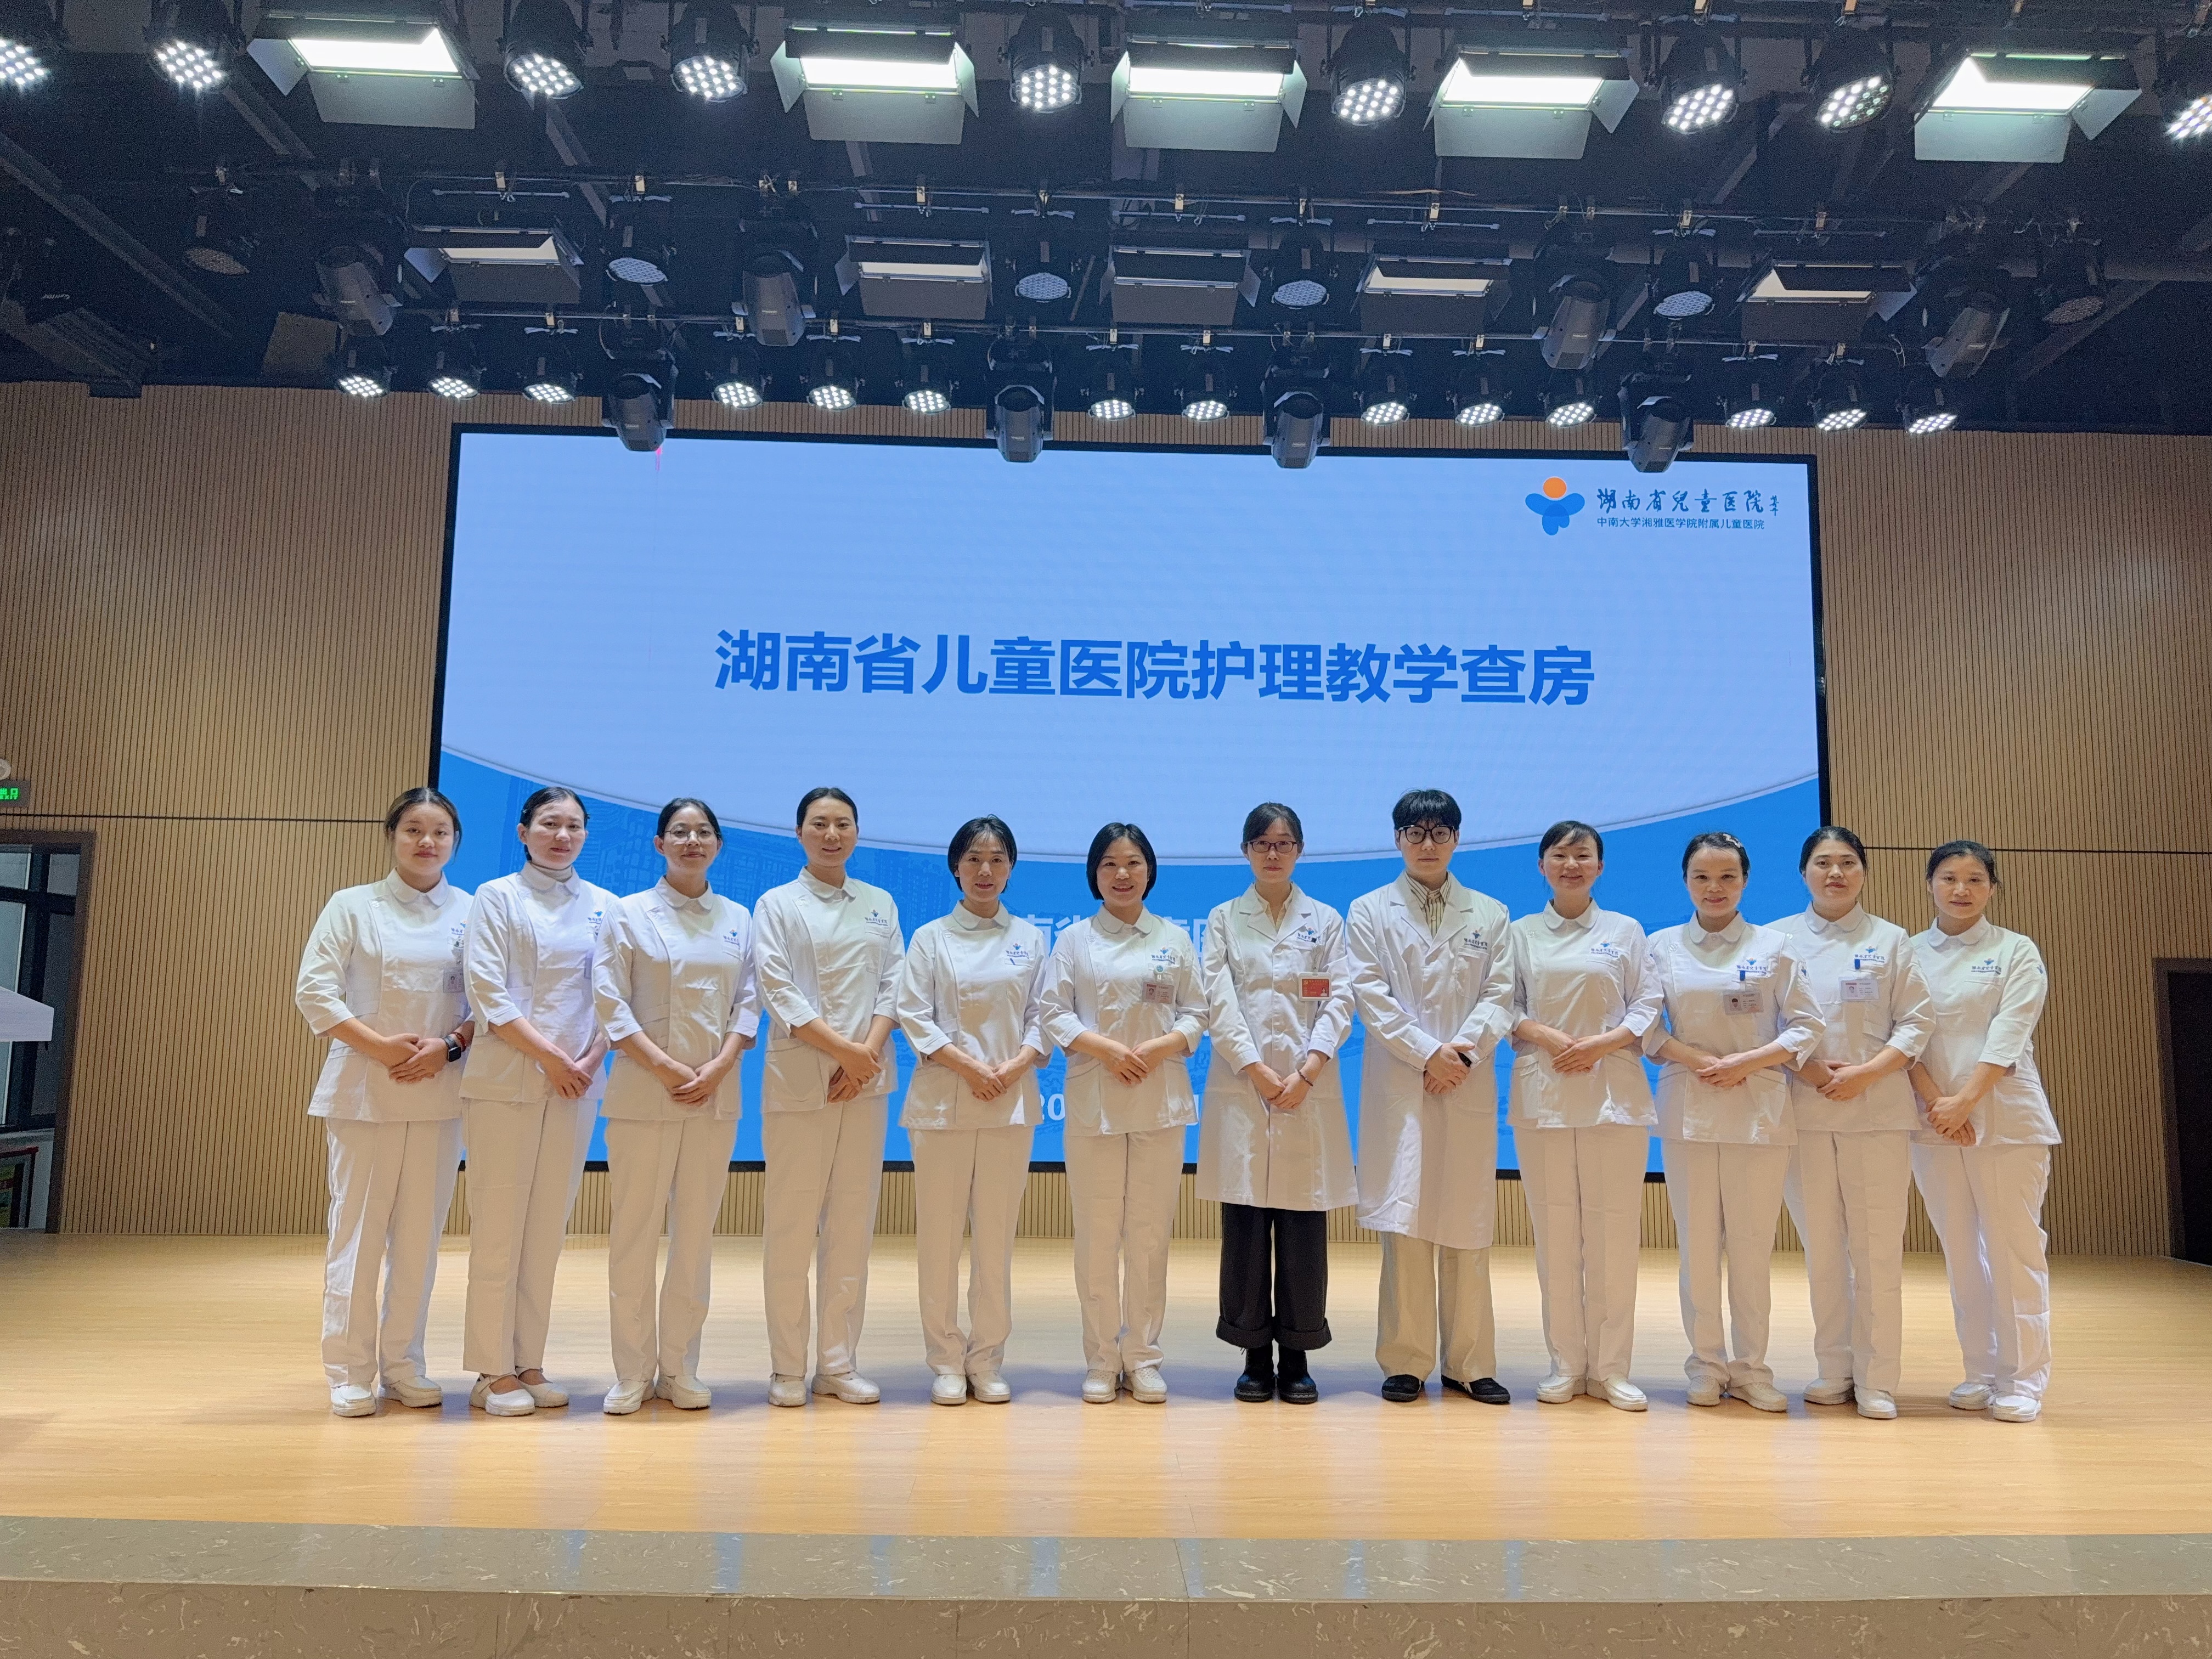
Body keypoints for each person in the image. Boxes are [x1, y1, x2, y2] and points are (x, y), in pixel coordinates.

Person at [294, 787, 475, 1417]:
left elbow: (489, 1003)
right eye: (414, 830)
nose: (428, 842)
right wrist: (381, 1048)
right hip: (364, 1091)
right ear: (392, 836)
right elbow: (315, 992)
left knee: (419, 1240)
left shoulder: (473, 911)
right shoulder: (352, 906)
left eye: (440, 832)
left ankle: (404, 1365)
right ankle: (350, 1371)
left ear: (455, 841)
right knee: (358, 1236)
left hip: (440, 1092)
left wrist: (448, 1047)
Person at [1640, 831, 1824, 1412]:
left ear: (1745, 882)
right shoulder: (1660, 946)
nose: (1714, 888)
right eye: (1702, 877)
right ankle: (1705, 1365)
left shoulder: (1775, 947)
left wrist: (1748, 1061)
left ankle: (1751, 1370)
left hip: (1758, 1112)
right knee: (1697, 1248)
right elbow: (1644, 1026)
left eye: (1727, 877)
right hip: (1688, 1109)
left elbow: (1807, 1025)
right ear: (1685, 881)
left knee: (1750, 1249)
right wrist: (1695, 1059)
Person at [1347, 789, 1517, 1406]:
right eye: (1415, 833)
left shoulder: (1490, 913)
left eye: (1440, 832)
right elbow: (1370, 994)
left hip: (1464, 1082)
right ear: (1398, 839)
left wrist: (1460, 1056)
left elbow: (1501, 994)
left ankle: (1470, 1363)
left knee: (1466, 1222)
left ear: (1457, 839)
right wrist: (1428, 1054)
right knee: (1407, 1224)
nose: (1427, 844)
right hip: (1404, 1082)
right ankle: (1406, 1360)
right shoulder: (1369, 911)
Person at [592, 798, 759, 1415]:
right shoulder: (628, 913)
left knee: (694, 1236)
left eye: (704, 832)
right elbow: (609, 1000)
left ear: (718, 845)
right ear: (659, 844)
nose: (693, 841)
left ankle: (681, 1366)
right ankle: (632, 1372)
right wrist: (663, 1065)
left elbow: (749, 1002)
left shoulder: (739, 918)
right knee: (634, 1235)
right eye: (680, 832)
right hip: (644, 1092)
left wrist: (719, 1066)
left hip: (713, 1096)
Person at [458, 786, 615, 1417]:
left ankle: (529, 1362)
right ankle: (490, 1370)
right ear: (524, 832)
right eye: (550, 823)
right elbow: (487, 992)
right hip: (508, 1079)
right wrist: (551, 1057)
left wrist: (590, 1060)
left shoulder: (605, 906)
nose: (562, 835)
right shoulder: (495, 897)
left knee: (547, 1228)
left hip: (577, 1083)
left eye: (574, 826)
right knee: (499, 1226)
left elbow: (615, 996)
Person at [1040, 822, 1207, 1405]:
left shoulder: (1174, 939)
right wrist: (1106, 1050)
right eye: (1110, 863)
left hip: (1159, 1099)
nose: (1122, 874)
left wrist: (1162, 1047)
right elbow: (1054, 1012)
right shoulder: (1074, 941)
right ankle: (1100, 1359)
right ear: (1095, 874)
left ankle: (1143, 1357)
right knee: (1096, 1234)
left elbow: (1198, 1011)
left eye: (1133, 862)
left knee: (1149, 1235)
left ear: (1149, 871)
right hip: (1096, 1100)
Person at [751, 787, 904, 1407]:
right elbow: (777, 990)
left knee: (851, 1225)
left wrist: (865, 1057)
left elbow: (894, 985)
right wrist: (847, 1052)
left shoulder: (880, 903)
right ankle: (788, 1366)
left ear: (858, 833)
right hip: (801, 1081)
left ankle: (837, 1364)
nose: (832, 835)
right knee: (791, 1226)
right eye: (820, 824)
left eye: (843, 824)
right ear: (799, 834)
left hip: (864, 1086)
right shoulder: (776, 904)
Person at [1198, 802, 1355, 1406]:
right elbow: (1218, 1000)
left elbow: (1341, 999)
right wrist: (1257, 1070)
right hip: (1245, 1087)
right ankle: (1253, 1356)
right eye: (1262, 843)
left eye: (1284, 843)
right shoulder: (1223, 919)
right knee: (1244, 1228)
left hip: (1307, 1089)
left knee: (1301, 1228)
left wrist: (1309, 1068)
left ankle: (1297, 1355)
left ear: (1299, 850)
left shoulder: (1326, 921)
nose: (1273, 853)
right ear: (1245, 850)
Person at [1777, 825, 1933, 1421]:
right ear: (1804, 873)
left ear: (1864, 872)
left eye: (1847, 863)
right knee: (1822, 1246)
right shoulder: (1778, 940)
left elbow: (1917, 1022)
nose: (1835, 874)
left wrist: (1866, 1073)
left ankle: (1878, 1379)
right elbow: (1767, 1024)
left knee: (1876, 1249)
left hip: (1878, 1111)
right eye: (1823, 863)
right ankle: (1834, 1368)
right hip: (1805, 1109)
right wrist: (1813, 1070)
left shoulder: (1892, 940)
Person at [1506, 820, 1662, 1413]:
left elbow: (1648, 1002)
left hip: (1613, 1096)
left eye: (1582, 855)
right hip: (1544, 1096)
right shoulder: (1519, 933)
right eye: (1560, 855)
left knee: (1613, 1234)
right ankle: (1566, 1365)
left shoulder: (1625, 930)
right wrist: (1549, 1037)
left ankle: (1612, 1369)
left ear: (1600, 866)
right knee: (1555, 1236)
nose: (1571, 865)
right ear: (1541, 866)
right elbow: (1503, 1005)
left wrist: (1602, 1043)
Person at [895, 815, 1050, 1407]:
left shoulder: (1030, 938)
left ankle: (986, 1358)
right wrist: (969, 1068)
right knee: (939, 1238)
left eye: (997, 859)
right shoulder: (930, 938)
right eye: (974, 859)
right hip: (943, 1105)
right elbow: (915, 1015)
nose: (985, 870)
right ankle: (944, 1359)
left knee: (995, 1240)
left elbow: (1044, 1015)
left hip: (1009, 1103)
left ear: (1011, 868)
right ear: (956, 868)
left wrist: (1015, 1066)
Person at [1908, 840, 2058, 1424]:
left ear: (1993, 888)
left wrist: (1966, 1100)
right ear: (1930, 884)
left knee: (2014, 1248)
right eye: (1949, 878)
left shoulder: (2016, 950)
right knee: (1962, 1253)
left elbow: (2010, 1031)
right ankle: (1981, 1370)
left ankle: (2023, 1380)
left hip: (2006, 1120)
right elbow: (1903, 1035)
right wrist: (1937, 1104)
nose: (1961, 889)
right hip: (1934, 1123)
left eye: (1975, 879)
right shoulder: (1908, 952)